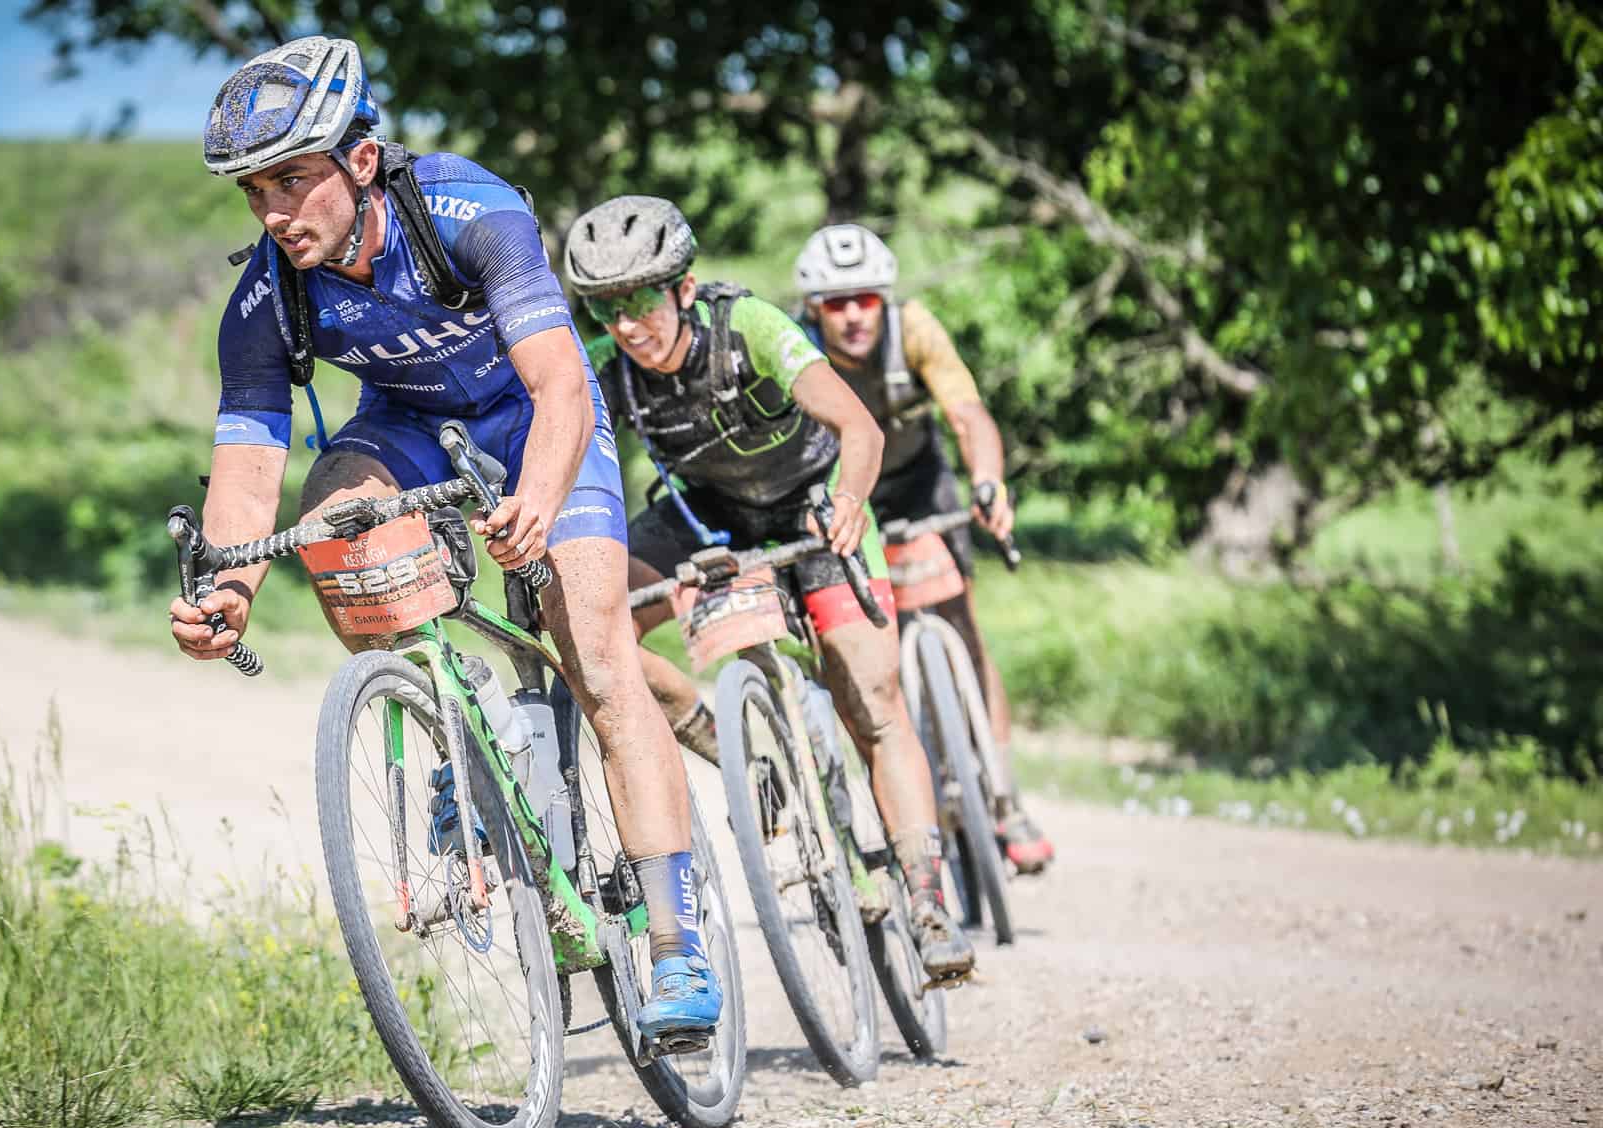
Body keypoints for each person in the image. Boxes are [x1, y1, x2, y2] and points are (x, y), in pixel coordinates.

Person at [167, 38, 720, 1045]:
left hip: (538, 417)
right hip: (412, 429)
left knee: (598, 659)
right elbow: (248, 469)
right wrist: (228, 592)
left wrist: (537, 501)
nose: (274, 213)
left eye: (292, 180)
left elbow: (559, 383)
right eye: (254, 192)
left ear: (360, 161)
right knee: (333, 506)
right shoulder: (266, 299)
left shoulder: (467, 210)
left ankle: (676, 942)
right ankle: (451, 719)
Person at [565, 195, 975, 982]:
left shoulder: (748, 325)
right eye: (605, 309)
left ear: (683, 288)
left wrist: (849, 502)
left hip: (813, 503)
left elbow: (861, 430)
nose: (626, 325)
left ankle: (928, 900)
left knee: (871, 698)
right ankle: (730, 748)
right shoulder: (607, 366)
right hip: (704, 516)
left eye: (641, 301)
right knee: (587, 629)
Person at [793, 223, 1055, 873]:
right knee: (853, 653)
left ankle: (1005, 799)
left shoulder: (914, 328)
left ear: (884, 298)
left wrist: (988, 482)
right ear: (813, 309)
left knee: (962, 624)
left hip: (918, 483)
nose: (854, 316)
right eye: (836, 302)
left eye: (866, 299)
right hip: (842, 492)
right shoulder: (794, 348)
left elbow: (968, 414)